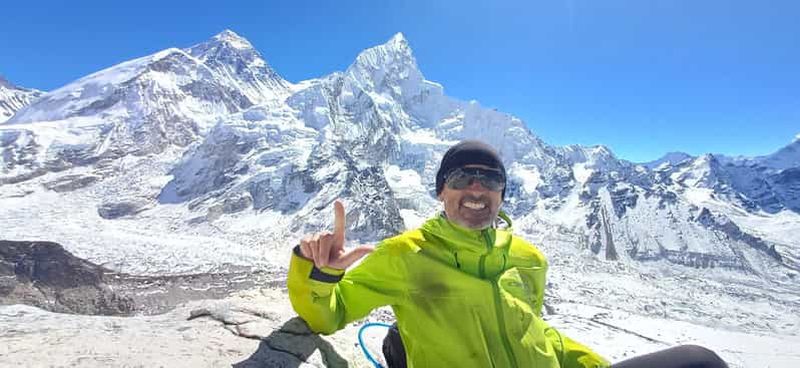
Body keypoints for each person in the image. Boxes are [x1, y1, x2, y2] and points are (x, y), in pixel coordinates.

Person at [287, 140, 728, 368]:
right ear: (442, 190)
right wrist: (320, 274)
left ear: (502, 193)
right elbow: (328, 316)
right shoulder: (407, 254)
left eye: (490, 179)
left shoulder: (528, 258)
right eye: (462, 177)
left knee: (700, 361)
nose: (476, 188)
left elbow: (534, 333)